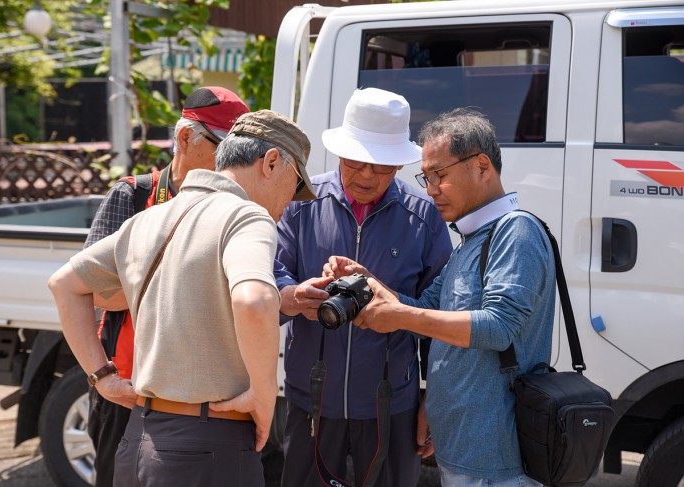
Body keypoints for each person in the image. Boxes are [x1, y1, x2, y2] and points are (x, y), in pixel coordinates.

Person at [49, 110, 316, 487]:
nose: (290, 202)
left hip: (137, 439)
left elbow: (64, 284)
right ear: (271, 163)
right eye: (294, 185)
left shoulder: (148, 219)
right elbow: (254, 301)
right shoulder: (247, 217)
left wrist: (103, 378)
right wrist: (263, 395)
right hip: (209, 445)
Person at [327, 108, 556, 486]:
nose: (430, 189)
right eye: (426, 177)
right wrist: (371, 284)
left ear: (482, 167)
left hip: (497, 462)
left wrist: (398, 315)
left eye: (440, 175)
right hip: (465, 456)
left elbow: (499, 327)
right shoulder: (471, 242)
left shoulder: (516, 231)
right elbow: (423, 310)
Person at [274, 87, 452, 487]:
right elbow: (271, 275)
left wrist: (433, 399)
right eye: (357, 162)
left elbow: (439, 312)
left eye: (384, 165)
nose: (369, 175)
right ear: (339, 151)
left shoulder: (423, 215)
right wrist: (295, 295)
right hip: (311, 399)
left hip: (394, 404)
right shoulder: (301, 204)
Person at [84, 86, 249, 487]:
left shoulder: (234, 207)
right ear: (184, 138)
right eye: (220, 146)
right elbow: (95, 291)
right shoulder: (135, 194)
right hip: (129, 385)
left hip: (200, 390)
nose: (228, 161)